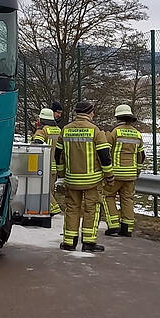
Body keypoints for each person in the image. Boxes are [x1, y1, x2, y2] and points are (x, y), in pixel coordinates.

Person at [55, 100, 113, 252]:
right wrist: (109, 175)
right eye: (92, 112)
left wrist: (61, 174)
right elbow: (104, 156)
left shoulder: (65, 130)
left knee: (71, 209)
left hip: (72, 179)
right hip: (92, 181)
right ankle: (88, 243)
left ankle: (69, 242)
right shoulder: (95, 131)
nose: (93, 114)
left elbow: (58, 155)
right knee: (91, 210)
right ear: (89, 113)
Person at [101, 104, 146, 237]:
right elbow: (141, 156)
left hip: (115, 174)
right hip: (130, 174)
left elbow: (105, 151)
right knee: (127, 199)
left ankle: (113, 225)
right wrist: (137, 171)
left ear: (117, 117)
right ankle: (127, 228)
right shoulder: (137, 134)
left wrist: (106, 171)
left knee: (108, 196)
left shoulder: (114, 132)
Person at [31, 107, 62, 215]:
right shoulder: (58, 130)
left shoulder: (42, 130)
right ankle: (47, 211)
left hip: (44, 166)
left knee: (43, 190)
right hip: (54, 167)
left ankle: (54, 208)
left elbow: (37, 144)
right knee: (50, 190)